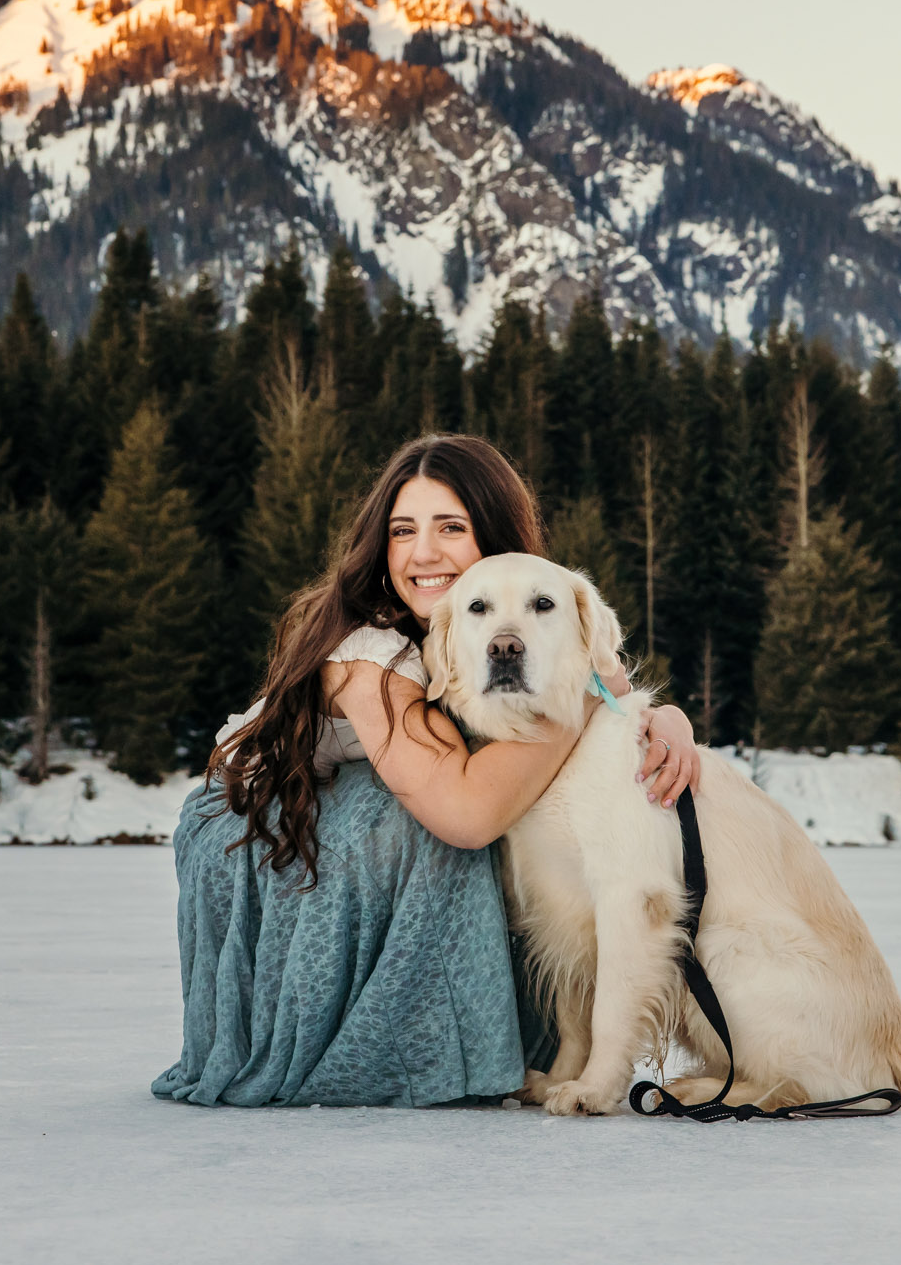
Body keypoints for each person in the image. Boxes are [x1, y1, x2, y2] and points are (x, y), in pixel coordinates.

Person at [154, 434, 702, 1108]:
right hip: (255, 824)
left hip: (349, 806)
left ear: (497, 542)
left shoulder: (510, 612)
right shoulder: (367, 655)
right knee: (449, 824)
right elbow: (469, 812)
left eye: (451, 527)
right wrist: (584, 697)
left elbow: (611, 681)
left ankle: (512, 1036)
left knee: (511, 811)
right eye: (402, 531)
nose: (423, 553)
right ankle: (398, 1043)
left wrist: (666, 718)